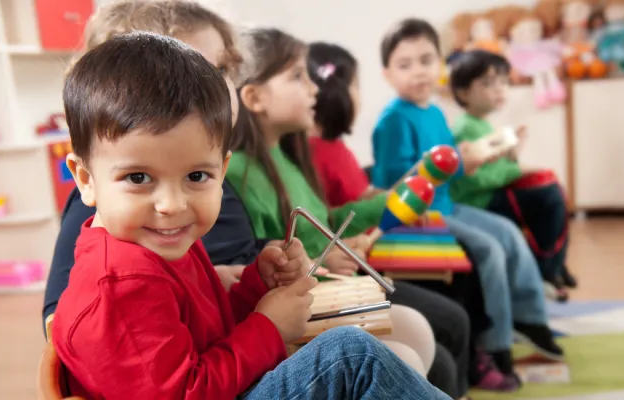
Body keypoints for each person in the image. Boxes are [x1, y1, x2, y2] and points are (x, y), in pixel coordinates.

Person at [52, 31, 449, 400]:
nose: (172, 204)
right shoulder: (122, 284)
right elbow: (188, 391)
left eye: (196, 176)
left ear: (221, 171)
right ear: (86, 179)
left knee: (387, 341)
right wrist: (269, 327)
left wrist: (259, 287)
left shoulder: (161, 244)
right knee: (350, 354)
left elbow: (210, 336)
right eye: (138, 177)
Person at [227, 27, 470, 397]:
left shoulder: (289, 159)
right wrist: (319, 262)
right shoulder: (240, 174)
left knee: (426, 332)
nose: (314, 89)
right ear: (254, 97)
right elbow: (267, 260)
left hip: (329, 288)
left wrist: (390, 200)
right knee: (425, 343)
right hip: (312, 301)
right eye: (298, 76)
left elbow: (326, 223)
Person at [43, 0, 263, 327]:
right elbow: (60, 319)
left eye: (222, 71)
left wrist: (235, 276)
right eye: (195, 71)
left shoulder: (198, 165)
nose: (219, 87)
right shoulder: (105, 201)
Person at [371, 18, 565, 388]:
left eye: (427, 60)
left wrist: (476, 159)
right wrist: (453, 163)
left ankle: (529, 318)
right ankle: (496, 343)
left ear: (441, 64)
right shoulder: (394, 119)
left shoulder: (435, 112)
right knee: (489, 249)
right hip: (421, 214)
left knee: (509, 232)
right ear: (387, 74)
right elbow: (397, 185)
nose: (419, 72)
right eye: (405, 64)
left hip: (447, 205)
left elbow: (453, 167)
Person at [307, 41, 476, 398]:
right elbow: (336, 218)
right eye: (355, 86)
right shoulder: (313, 153)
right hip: (361, 260)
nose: (359, 96)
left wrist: (413, 180)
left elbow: (363, 195)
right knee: (450, 324)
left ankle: (478, 367)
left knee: (459, 298)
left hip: (365, 252)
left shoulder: (336, 147)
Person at [447, 49, 576, 300]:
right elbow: (478, 178)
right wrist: (517, 168)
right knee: (549, 196)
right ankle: (546, 269)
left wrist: (514, 154)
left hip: (491, 194)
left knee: (553, 190)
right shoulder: (466, 128)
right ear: (463, 93)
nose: (499, 89)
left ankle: (553, 264)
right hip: (477, 201)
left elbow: (496, 168)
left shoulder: (483, 124)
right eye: (488, 84)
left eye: (503, 83)